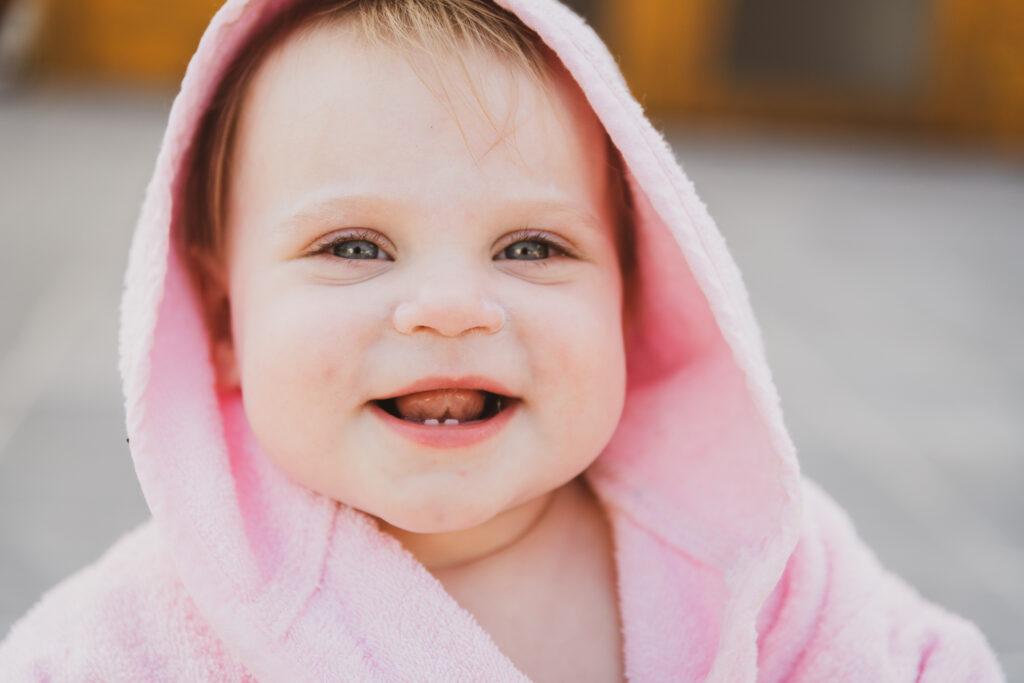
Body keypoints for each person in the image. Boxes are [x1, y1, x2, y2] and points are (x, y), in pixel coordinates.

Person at [0, 0, 1004, 680]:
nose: (449, 306)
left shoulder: (747, 550)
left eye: (531, 245)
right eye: (354, 244)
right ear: (222, 323)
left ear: (633, 297)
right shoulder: (151, 630)